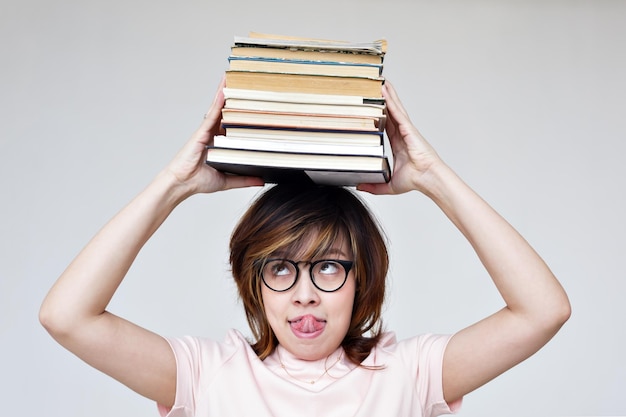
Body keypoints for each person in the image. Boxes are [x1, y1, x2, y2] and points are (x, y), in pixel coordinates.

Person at [39, 79, 571, 417]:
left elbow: (543, 311)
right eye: (281, 269)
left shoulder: (411, 373)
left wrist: (433, 176)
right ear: (254, 282)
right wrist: (174, 184)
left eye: (329, 268)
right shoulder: (204, 376)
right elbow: (68, 317)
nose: (305, 295)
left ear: (363, 278)